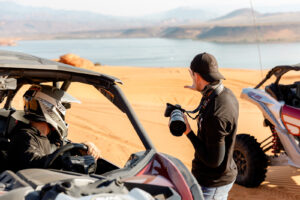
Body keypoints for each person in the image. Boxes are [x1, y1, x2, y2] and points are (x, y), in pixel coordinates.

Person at [180, 53, 238, 200]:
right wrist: (200, 89)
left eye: (192, 75)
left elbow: (214, 161)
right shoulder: (225, 94)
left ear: (197, 75)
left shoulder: (215, 114)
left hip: (212, 185)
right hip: (219, 178)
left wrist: (189, 133)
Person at [8, 84, 101, 171]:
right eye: (62, 109)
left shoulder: (50, 137)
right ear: (50, 109)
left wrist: (85, 146)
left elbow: (63, 147)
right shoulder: (24, 137)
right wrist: (64, 161)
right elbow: (33, 162)